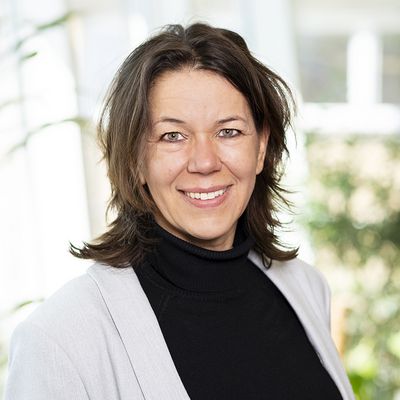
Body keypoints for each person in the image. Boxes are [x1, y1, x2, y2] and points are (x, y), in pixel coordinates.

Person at [5, 23, 355, 400]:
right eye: (173, 136)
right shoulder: (59, 339)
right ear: (135, 160)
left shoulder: (306, 288)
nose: (205, 162)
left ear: (261, 147)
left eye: (228, 131)